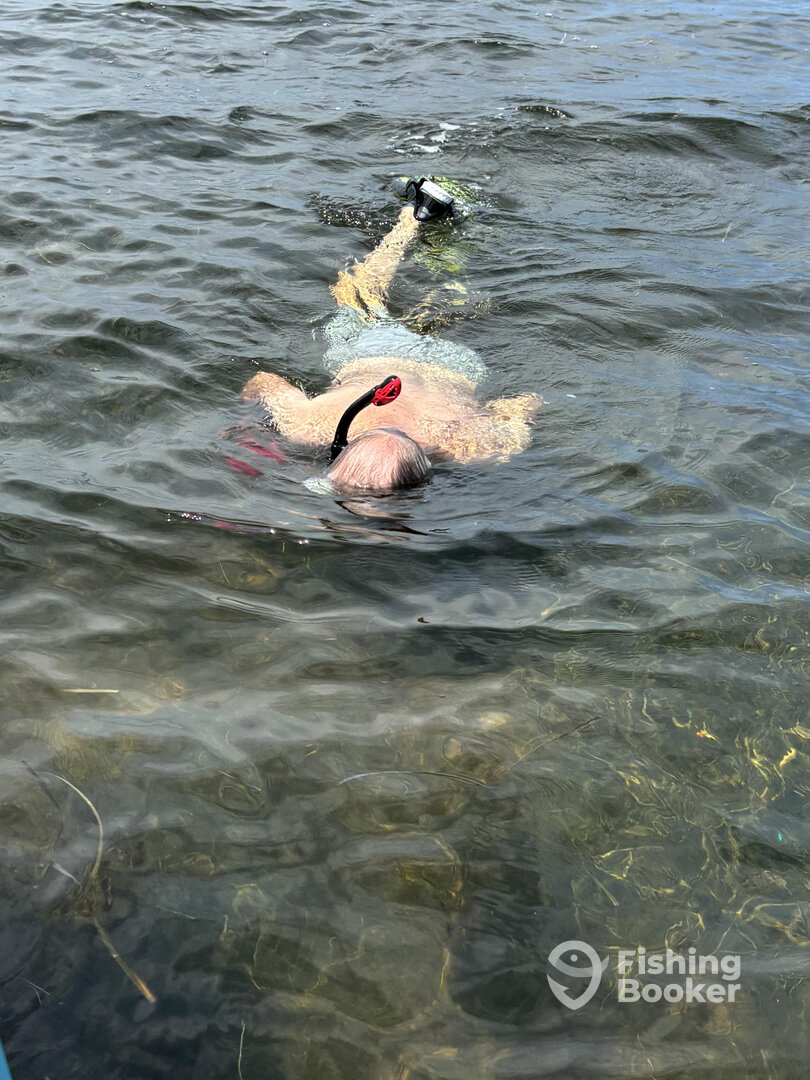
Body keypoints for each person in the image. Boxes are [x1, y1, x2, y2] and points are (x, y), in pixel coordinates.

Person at [243, 180, 541, 493]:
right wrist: (251, 429)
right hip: (375, 352)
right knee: (357, 290)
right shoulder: (309, 426)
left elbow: (525, 402)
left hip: (457, 366)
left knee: (443, 304)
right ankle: (414, 218)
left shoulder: (472, 447)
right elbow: (264, 381)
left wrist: (487, 416)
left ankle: (430, 236)